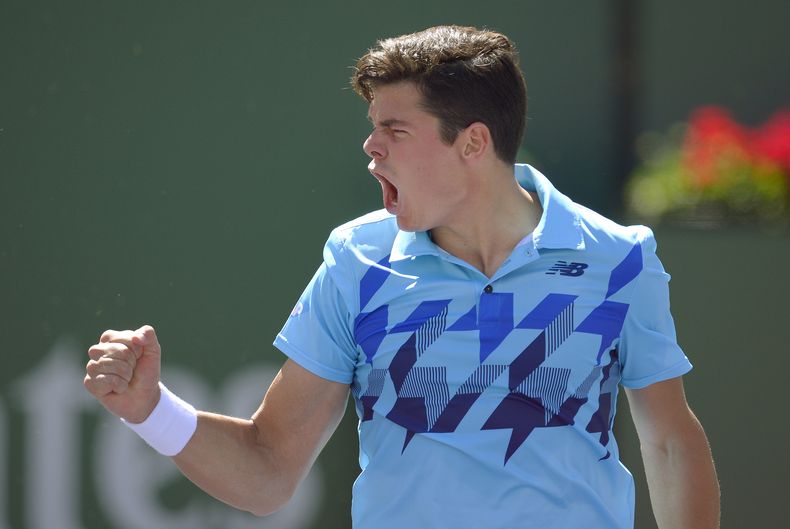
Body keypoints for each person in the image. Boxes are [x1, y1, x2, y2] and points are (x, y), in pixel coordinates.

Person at [84, 25, 720, 529]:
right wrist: (151, 412)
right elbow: (268, 471)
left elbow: (668, 441)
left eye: (395, 129)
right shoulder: (355, 260)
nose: (371, 148)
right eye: (372, 129)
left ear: (472, 143)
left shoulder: (619, 258)